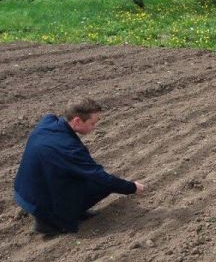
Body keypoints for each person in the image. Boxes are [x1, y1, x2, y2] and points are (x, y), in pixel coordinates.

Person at [13, 98, 145, 236]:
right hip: (41, 202)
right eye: (92, 123)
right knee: (102, 183)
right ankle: (51, 223)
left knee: (77, 175)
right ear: (77, 121)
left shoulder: (48, 121)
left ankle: (67, 210)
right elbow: (100, 177)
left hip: (23, 190)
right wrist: (132, 187)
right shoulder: (70, 149)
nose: (94, 127)